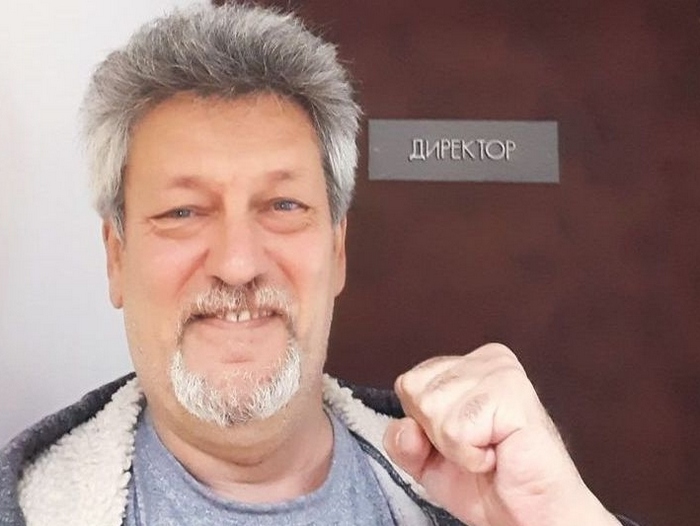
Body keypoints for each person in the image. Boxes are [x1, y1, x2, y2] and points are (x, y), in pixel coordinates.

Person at [0, 3, 640, 526]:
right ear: (116, 258)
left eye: (283, 205)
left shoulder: (475, 498)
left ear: (337, 250)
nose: (238, 264)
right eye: (183, 212)